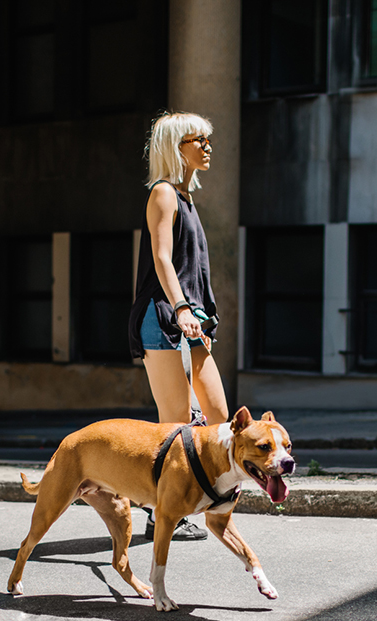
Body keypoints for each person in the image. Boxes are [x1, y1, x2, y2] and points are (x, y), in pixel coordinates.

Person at [128, 111, 230, 542]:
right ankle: (161, 512)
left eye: (208, 139)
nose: (207, 147)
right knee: (175, 425)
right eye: (198, 140)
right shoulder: (163, 193)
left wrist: (197, 314)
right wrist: (182, 307)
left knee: (218, 418)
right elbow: (162, 258)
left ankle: (201, 498)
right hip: (164, 317)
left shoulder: (186, 198)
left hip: (192, 321)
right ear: (176, 146)